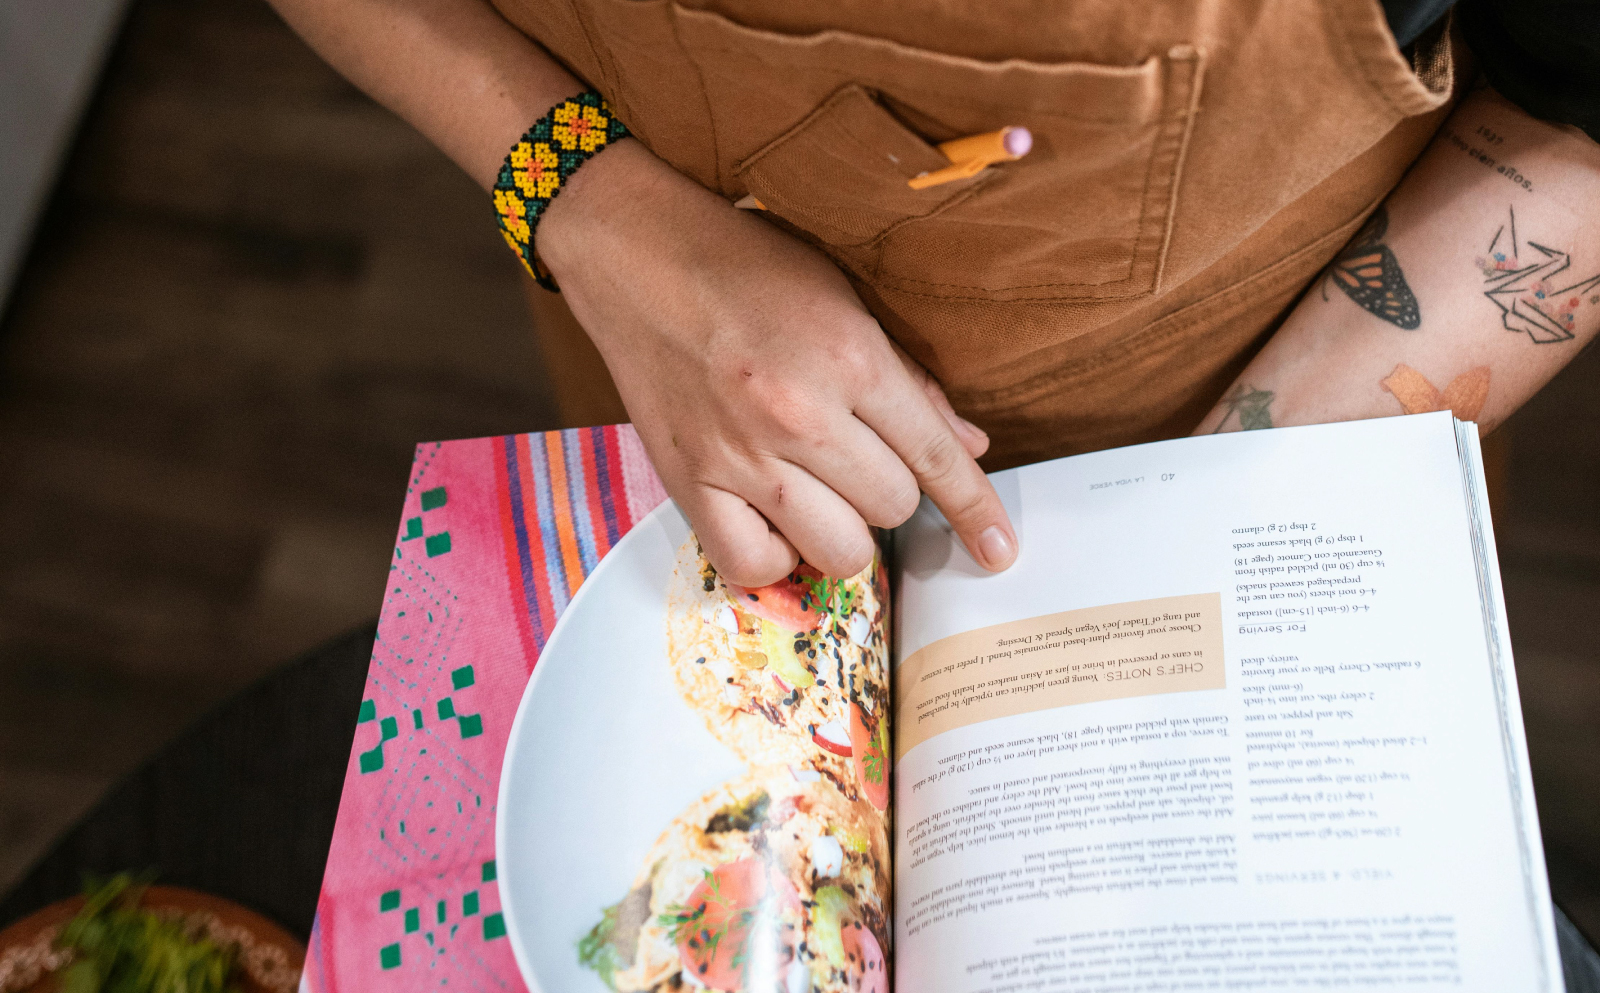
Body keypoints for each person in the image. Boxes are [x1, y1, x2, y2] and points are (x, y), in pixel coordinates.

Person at [266, 0, 1598, 586]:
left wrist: (1199, 553)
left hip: (1223, 417)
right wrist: (589, 202)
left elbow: (1572, 116)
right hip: (651, 346)